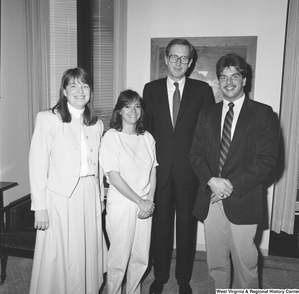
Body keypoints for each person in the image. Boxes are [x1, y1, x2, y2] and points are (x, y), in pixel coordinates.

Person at [189, 53, 279, 289]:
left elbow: (267, 160)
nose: (229, 82)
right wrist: (211, 180)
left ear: (244, 80)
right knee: (216, 264)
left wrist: (228, 185)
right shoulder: (207, 114)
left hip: (243, 197)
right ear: (218, 81)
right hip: (211, 198)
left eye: (235, 76)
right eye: (223, 77)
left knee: (245, 264)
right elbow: (195, 154)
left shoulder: (263, 113)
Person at [143, 38, 215, 294]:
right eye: (174, 57)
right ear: (165, 59)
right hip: (160, 173)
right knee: (160, 229)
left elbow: (208, 135)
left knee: (186, 229)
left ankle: (184, 279)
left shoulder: (202, 90)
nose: (178, 62)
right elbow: (145, 131)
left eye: (184, 58)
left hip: (189, 174)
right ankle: (160, 276)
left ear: (191, 62)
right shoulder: (150, 90)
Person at [29, 67, 107, 294]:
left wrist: (100, 198)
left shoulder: (96, 123)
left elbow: (99, 166)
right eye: (73, 85)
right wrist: (40, 207)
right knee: (60, 254)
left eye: (84, 85)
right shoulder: (47, 119)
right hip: (59, 197)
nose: (80, 90)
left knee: (85, 251)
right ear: (64, 91)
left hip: (88, 195)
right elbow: (37, 165)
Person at [100, 89, 158, 294]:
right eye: (127, 106)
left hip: (145, 205)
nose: (133, 111)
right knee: (118, 259)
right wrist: (139, 201)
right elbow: (114, 177)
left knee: (141, 258)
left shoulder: (147, 138)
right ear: (119, 111)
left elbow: (152, 171)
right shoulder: (111, 137)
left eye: (137, 106)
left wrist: (149, 202)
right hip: (122, 205)